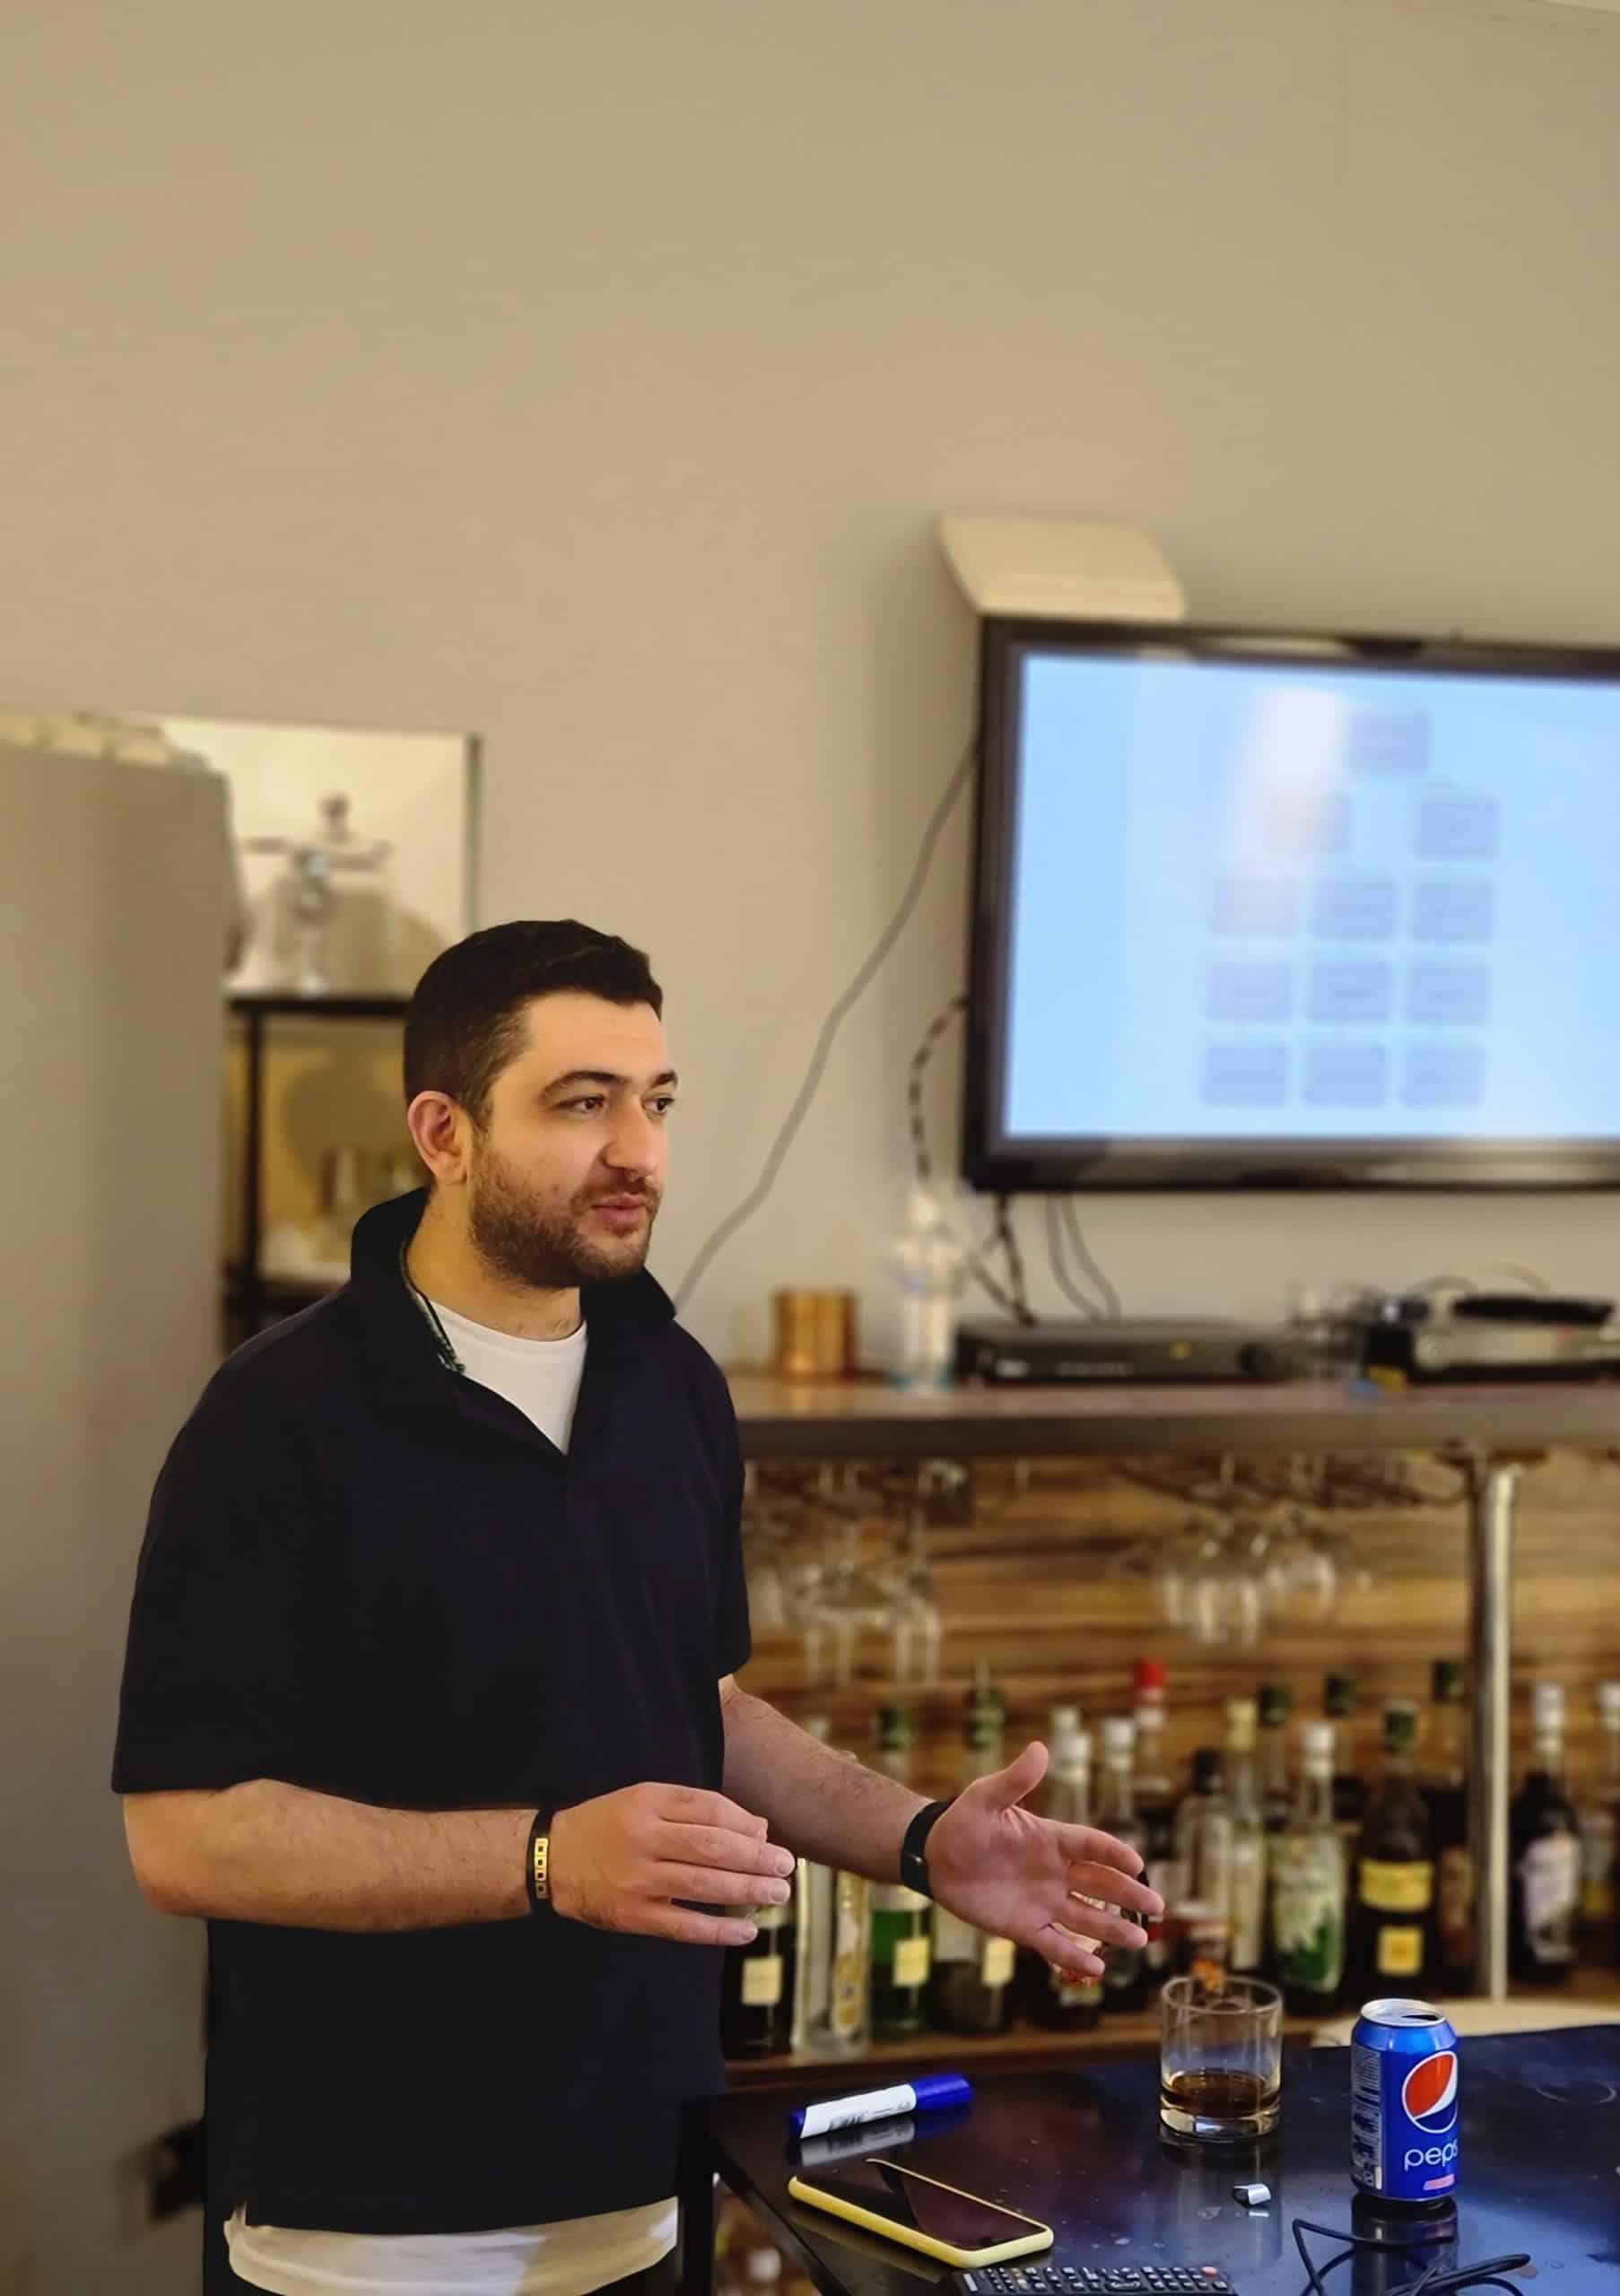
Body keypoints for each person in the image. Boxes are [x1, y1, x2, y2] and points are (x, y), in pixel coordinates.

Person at [111, 918, 1160, 2296]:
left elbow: (700, 1707)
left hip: (648, 2186)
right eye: (582, 1103)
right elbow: (183, 1838)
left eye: (656, 1102)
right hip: (368, 2228)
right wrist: (548, 1859)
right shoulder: (276, 1421)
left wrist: (916, 1842)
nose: (639, 1151)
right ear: (445, 1133)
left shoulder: (671, 1384)